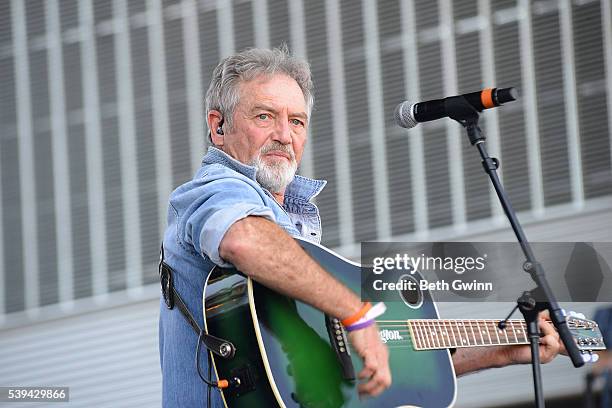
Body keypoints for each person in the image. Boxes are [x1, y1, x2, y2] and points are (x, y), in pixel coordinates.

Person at [158, 47, 563, 408]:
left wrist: (505, 349)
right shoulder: (215, 189)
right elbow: (243, 239)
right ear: (219, 126)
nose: (284, 135)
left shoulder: (293, 234)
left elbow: (389, 363)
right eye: (265, 116)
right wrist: (357, 313)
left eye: (297, 121)